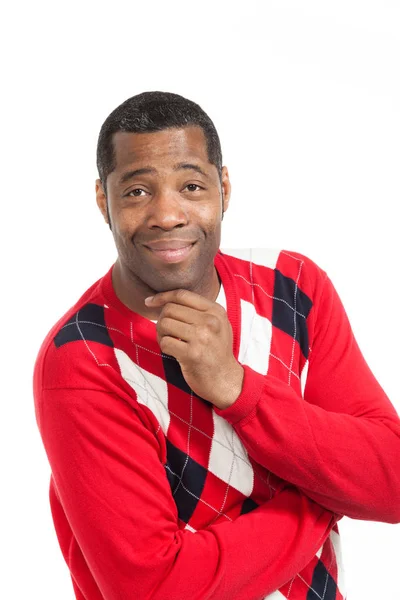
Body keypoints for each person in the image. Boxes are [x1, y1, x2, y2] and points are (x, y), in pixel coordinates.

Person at [33, 91, 400, 600]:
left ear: (223, 187)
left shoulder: (292, 287)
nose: (167, 214)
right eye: (137, 191)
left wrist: (235, 387)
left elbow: (393, 480)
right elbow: (156, 588)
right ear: (104, 201)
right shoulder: (82, 359)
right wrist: (328, 493)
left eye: (191, 185)